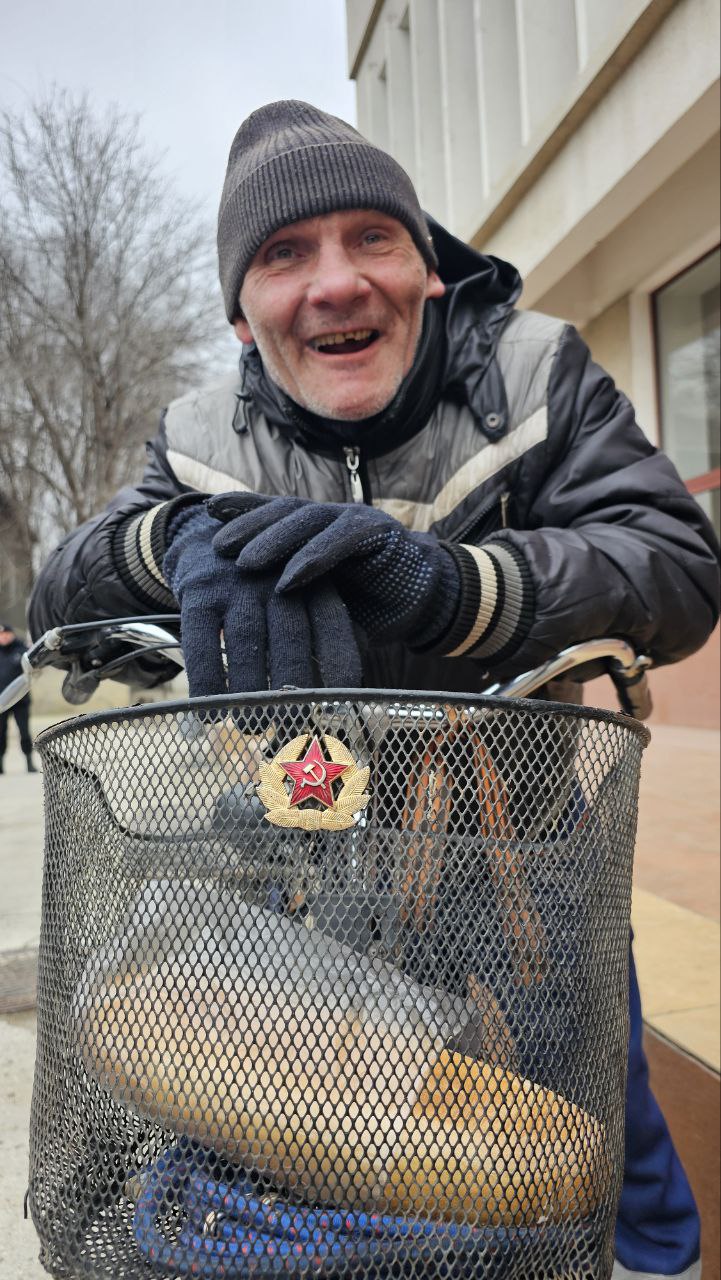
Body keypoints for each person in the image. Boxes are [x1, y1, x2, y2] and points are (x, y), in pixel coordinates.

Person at [28, 101, 719, 1277]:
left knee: (596, 1104)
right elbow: (61, 594)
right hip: (290, 850)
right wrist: (168, 543)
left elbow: (676, 561)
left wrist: (467, 588)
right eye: (283, 255)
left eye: (373, 238)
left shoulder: (537, 371)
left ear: (430, 270)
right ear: (239, 315)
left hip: (526, 844)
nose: (335, 282)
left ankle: (652, 1254)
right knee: (323, 1151)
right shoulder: (198, 438)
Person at [0, 622, 37, 774]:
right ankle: (0, 765)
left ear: (12, 634)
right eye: (1, 635)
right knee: (0, 734)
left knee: (24, 732)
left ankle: (29, 762)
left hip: (21, 701)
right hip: (2, 702)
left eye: (6, 634)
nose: (3, 637)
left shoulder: (23, 650)